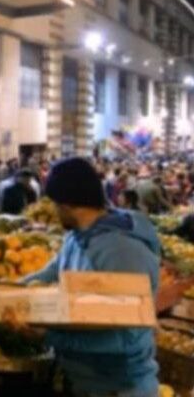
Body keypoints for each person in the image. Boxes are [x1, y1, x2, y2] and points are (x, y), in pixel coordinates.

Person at [23, 157, 160, 397]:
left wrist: (49, 337)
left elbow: (126, 339)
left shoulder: (122, 252)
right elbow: (52, 271)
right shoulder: (78, 236)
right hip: (84, 380)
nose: (54, 213)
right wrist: (7, 292)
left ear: (66, 205)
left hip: (119, 387)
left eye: (55, 206)